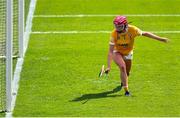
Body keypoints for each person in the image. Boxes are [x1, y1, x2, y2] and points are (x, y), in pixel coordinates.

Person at [105, 16, 169, 96]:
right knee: (122, 67)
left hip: (128, 52)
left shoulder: (133, 30)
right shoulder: (114, 34)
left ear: (125, 25)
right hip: (117, 52)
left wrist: (160, 39)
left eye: (119, 26)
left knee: (127, 73)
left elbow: (145, 33)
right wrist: (108, 66)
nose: (117, 28)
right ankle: (126, 90)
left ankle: (123, 80)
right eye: (116, 26)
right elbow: (110, 51)